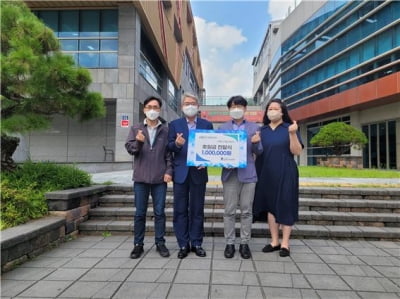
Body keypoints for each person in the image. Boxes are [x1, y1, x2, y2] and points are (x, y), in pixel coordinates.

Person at [253, 98, 303, 257]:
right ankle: (274, 241)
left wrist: (293, 134)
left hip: (286, 171)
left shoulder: (290, 128)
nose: (272, 111)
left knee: (286, 204)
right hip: (265, 172)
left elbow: (296, 151)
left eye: (275, 108)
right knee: (270, 206)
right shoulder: (262, 131)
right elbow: (255, 152)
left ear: (282, 112)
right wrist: (254, 143)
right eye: (269, 108)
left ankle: (285, 244)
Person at [125, 96, 173, 259]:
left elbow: (169, 155)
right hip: (141, 179)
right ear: (144, 109)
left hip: (160, 179)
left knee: (160, 213)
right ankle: (138, 244)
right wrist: (138, 142)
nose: (152, 110)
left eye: (155, 107)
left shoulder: (166, 130)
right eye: (149, 107)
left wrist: (169, 171)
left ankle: (160, 242)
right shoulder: (135, 128)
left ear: (159, 110)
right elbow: (131, 150)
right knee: (140, 213)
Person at [168, 93, 213, 259]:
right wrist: (177, 145)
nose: (190, 106)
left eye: (193, 103)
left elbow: (211, 148)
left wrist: (206, 161)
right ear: (182, 107)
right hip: (180, 173)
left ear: (198, 106)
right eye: (187, 103)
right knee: (180, 210)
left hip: (199, 173)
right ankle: (182, 244)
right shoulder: (174, 124)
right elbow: (169, 147)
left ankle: (196, 242)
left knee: (197, 210)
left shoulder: (207, 125)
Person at [219, 96, 263, 259]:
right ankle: (229, 243)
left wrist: (257, 143)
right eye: (232, 106)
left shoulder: (254, 128)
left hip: (248, 174)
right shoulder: (222, 128)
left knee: (246, 211)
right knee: (229, 211)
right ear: (229, 109)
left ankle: (245, 243)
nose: (236, 109)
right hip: (229, 175)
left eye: (239, 106)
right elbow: (218, 153)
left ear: (245, 109)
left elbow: (259, 152)